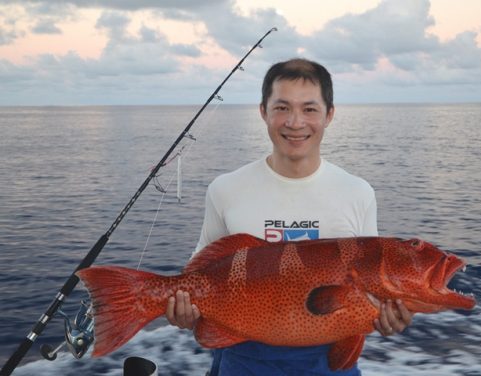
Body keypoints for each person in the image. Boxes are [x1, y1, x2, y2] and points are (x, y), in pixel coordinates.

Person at [166, 58, 413, 375]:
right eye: (282, 108)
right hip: (242, 360)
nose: (295, 122)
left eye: (309, 109)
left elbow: (368, 289)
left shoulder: (358, 192)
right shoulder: (225, 189)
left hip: (327, 364)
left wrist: (385, 317)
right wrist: (186, 309)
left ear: (329, 115)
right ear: (263, 112)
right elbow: (199, 272)